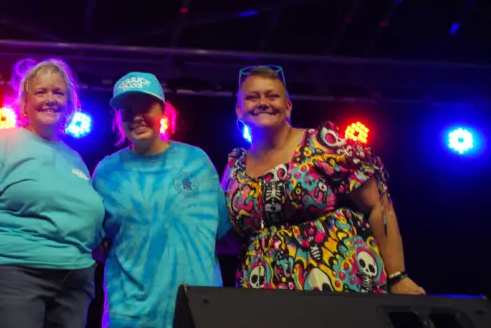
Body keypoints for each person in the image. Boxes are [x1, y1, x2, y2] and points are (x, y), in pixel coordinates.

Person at [221, 65, 424, 294]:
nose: (263, 103)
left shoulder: (320, 143)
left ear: (288, 107)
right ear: (239, 110)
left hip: (336, 283)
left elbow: (378, 205)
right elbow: (229, 236)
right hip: (263, 289)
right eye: (252, 97)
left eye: (272, 96)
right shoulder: (235, 167)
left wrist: (397, 277)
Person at [0, 58, 105, 328]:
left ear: (69, 104)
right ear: (24, 103)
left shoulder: (75, 159)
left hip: (74, 283)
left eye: (58, 92)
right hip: (11, 274)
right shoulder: (1, 142)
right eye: (41, 92)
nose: (50, 99)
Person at [92, 72, 231, 328]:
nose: (136, 117)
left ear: (163, 110)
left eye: (145, 107)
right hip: (130, 316)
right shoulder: (106, 172)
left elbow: (222, 233)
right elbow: (95, 243)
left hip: (197, 310)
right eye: (127, 110)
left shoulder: (196, 162)